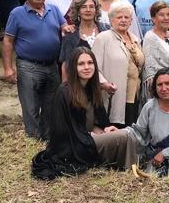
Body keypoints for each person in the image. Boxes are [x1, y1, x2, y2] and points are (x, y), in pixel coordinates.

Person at [31, 48, 137, 180]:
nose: (87, 67)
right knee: (126, 135)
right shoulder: (64, 92)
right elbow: (62, 131)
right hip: (75, 145)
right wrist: (87, 135)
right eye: (81, 64)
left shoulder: (92, 88)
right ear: (73, 68)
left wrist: (105, 129)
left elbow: (93, 121)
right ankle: (132, 172)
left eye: (90, 63)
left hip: (89, 136)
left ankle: (129, 166)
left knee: (122, 133)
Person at [2, 0, 68, 139]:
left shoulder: (54, 10)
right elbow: (8, 41)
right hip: (28, 66)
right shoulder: (17, 13)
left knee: (51, 105)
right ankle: (33, 138)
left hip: (52, 66)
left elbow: (65, 28)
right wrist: (8, 68)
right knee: (31, 106)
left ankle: (47, 138)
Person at [92, 1, 144, 127]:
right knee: (114, 131)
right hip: (113, 96)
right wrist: (105, 84)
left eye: (126, 17)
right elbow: (94, 68)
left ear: (131, 21)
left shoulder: (136, 40)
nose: (123, 20)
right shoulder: (103, 38)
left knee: (130, 129)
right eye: (119, 17)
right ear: (111, 20)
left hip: (133, 95)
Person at [59, 0, 110, 82]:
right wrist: (65, 89)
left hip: (105, 81)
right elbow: (65, 65)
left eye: (91, 7)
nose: (88, 10)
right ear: (78, 11)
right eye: (84, 7)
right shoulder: (71, 34)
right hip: (79, 84)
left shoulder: (106, 30)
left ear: (96, 10)